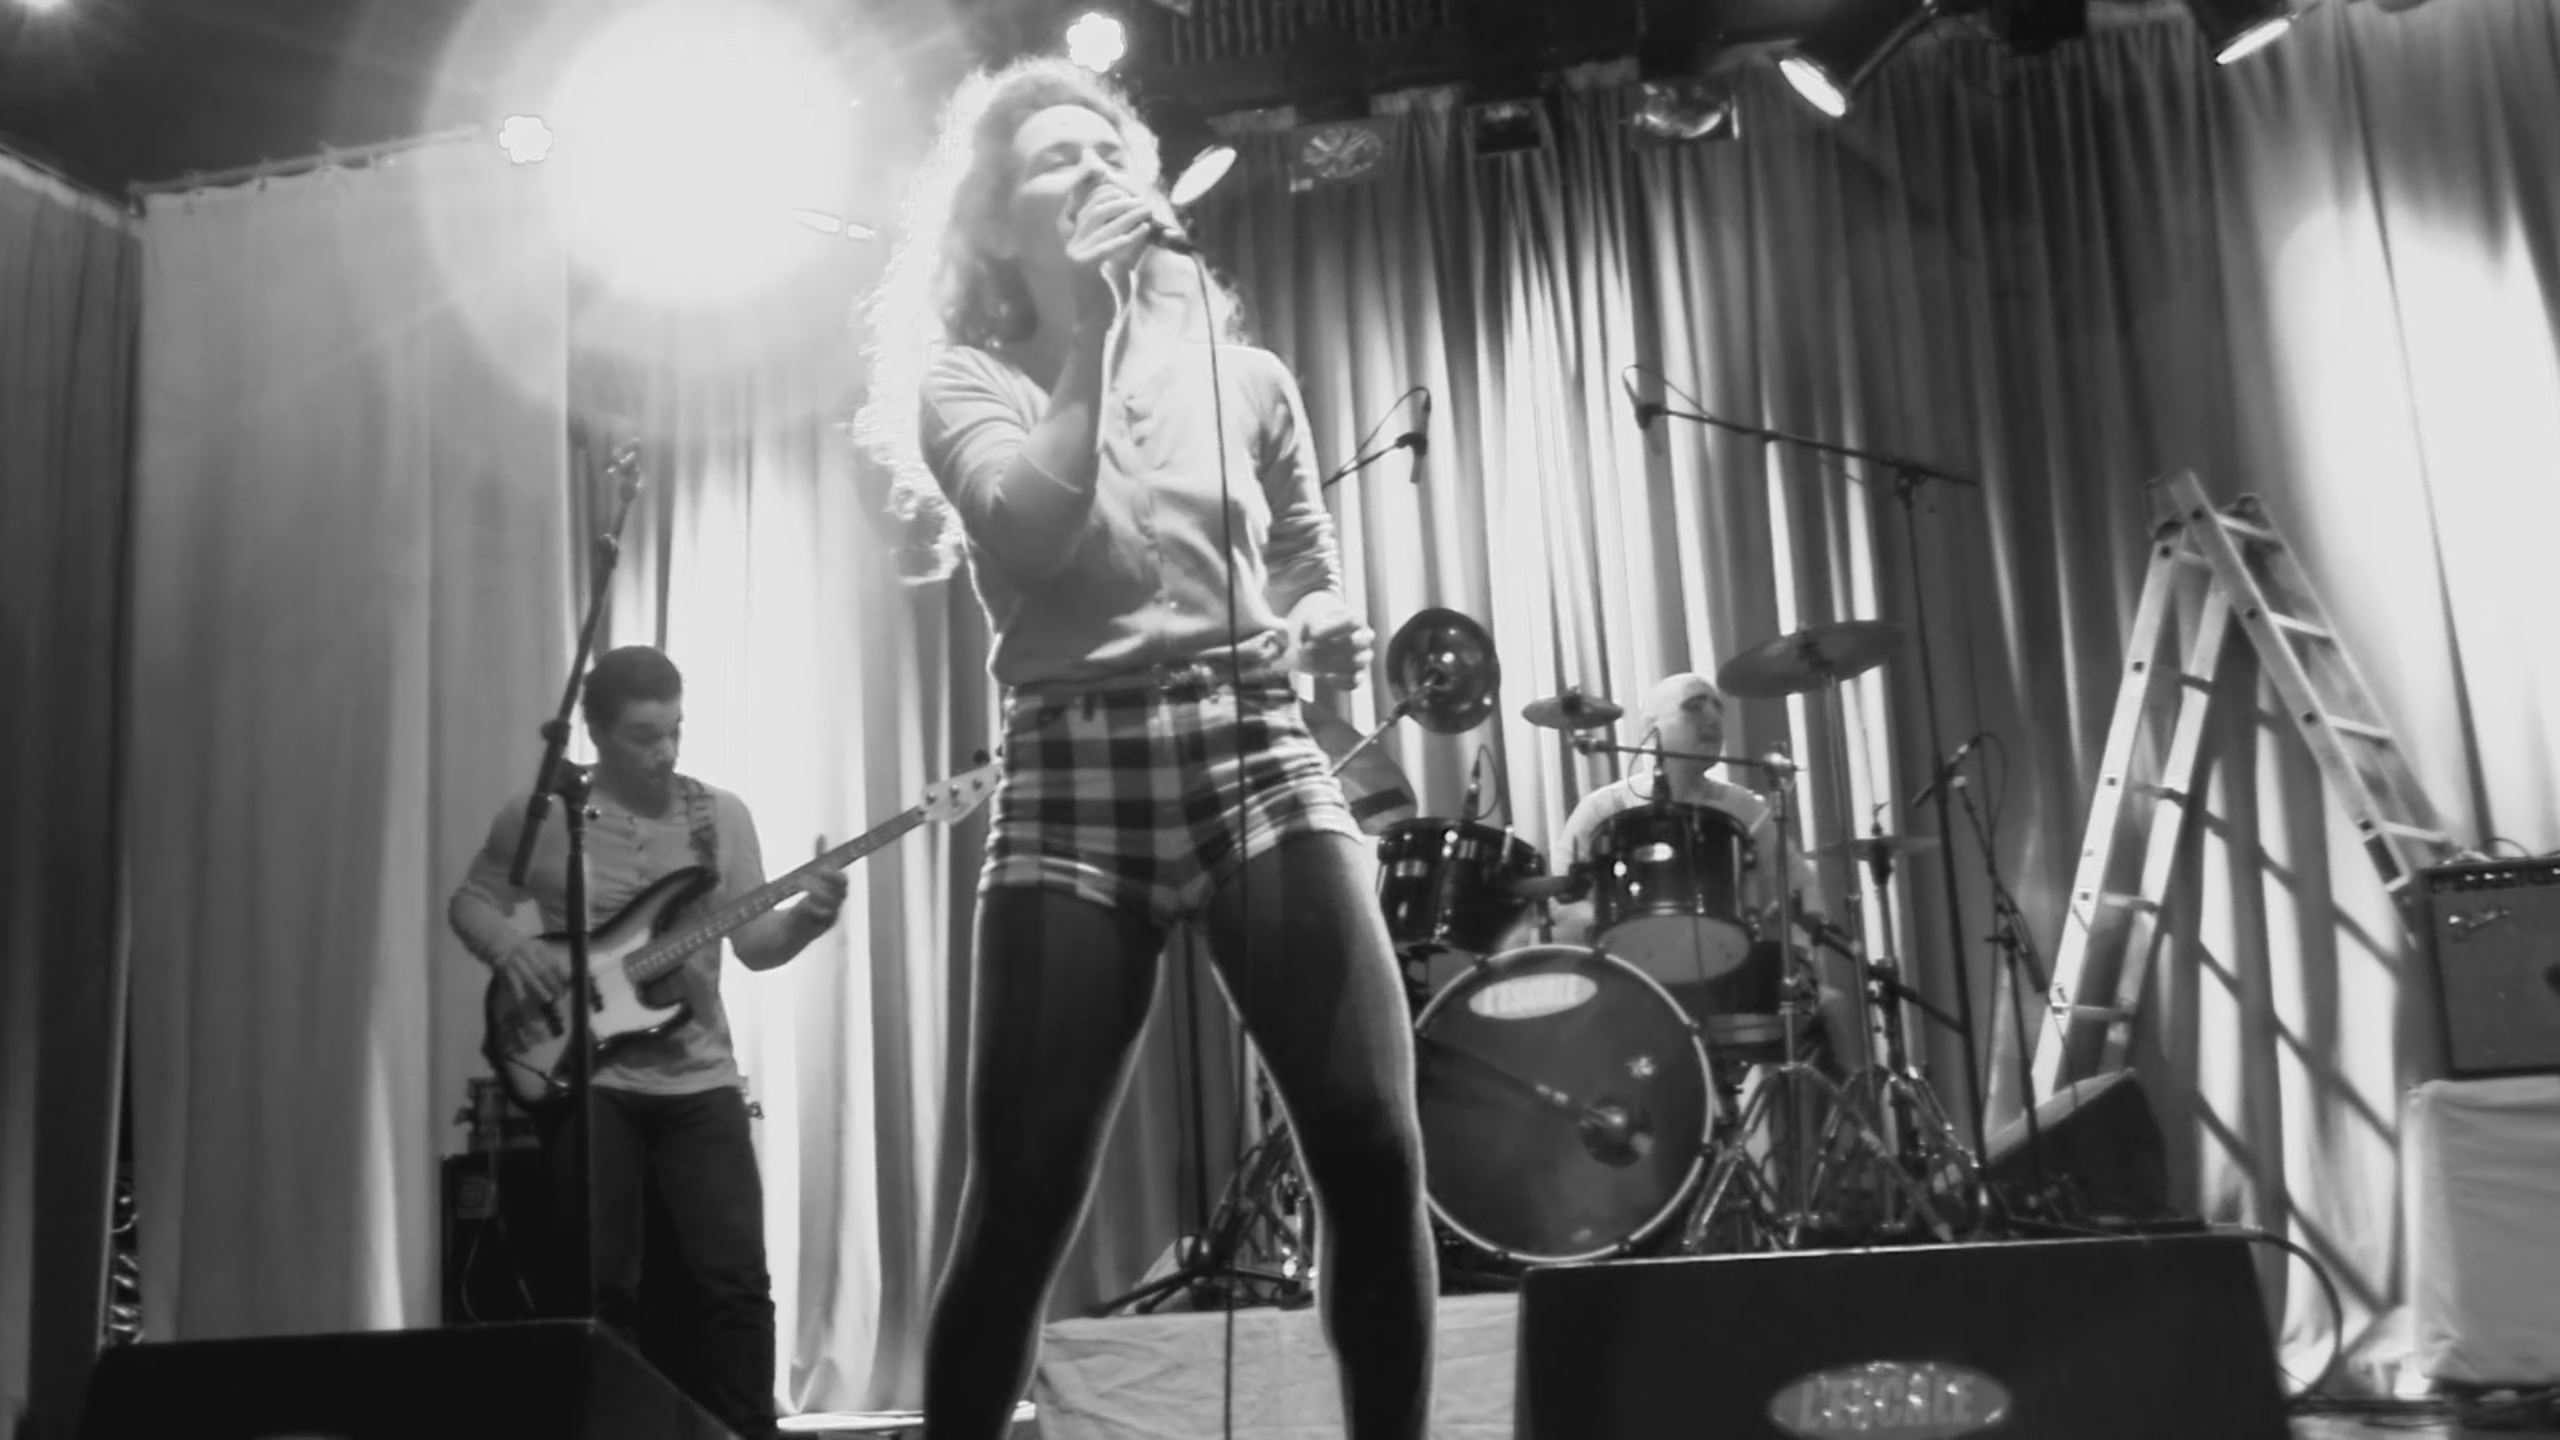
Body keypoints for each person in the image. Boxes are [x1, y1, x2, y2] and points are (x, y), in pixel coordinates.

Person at [858, 56, 1436, 1440]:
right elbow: (1032, 528)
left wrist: (1322, 620)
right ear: (997, 227)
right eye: (1058, 161)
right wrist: (1099, 331)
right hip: (1073, 772)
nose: (1099, 173)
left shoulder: (1249, 380)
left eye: (1111, 154)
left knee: (1371, 1145)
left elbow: (1302, 565)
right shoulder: (965, 379)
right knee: (1024, 1197)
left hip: (1254, 746)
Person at [449, 645, 847, 1440]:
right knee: (601, 1286)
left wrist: (808, 918)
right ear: (595, 733)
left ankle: (746, 1430)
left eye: (675, 732)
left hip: (699, 1076)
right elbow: (473, 901)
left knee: (735, 1281)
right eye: (643, 736)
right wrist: (511, 950)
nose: (665, 752)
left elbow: (755, 945)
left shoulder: (719, 817)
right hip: (590, 1076)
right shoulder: (547, 817)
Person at [1551, 672, 1866, 1069]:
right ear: (1651, 729)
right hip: (1631, 979)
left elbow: (1803, 892)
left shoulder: (1744, 808)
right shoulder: (1603, 808)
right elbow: (1560, 900)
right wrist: (1609, 935)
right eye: (1694, 707)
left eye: (1718, 708)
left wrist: (1794, 950)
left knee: (1831, 1008)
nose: (1713, 718)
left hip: (1728, 978)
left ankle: (1827, 1110)